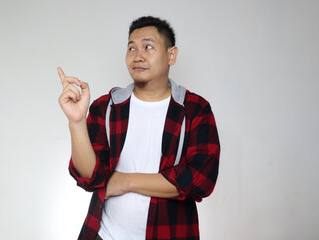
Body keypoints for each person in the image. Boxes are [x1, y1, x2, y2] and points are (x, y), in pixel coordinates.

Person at [58, 16, 220, 240]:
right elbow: (91, 177)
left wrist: (125, 181)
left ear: (171, 55)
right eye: (131, 48)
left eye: (148, 47)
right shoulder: (107, 107)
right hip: (103, 235)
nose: (138, 56)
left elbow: (200, 178)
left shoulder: (194, 110)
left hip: (170, 234)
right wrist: (76, 122)